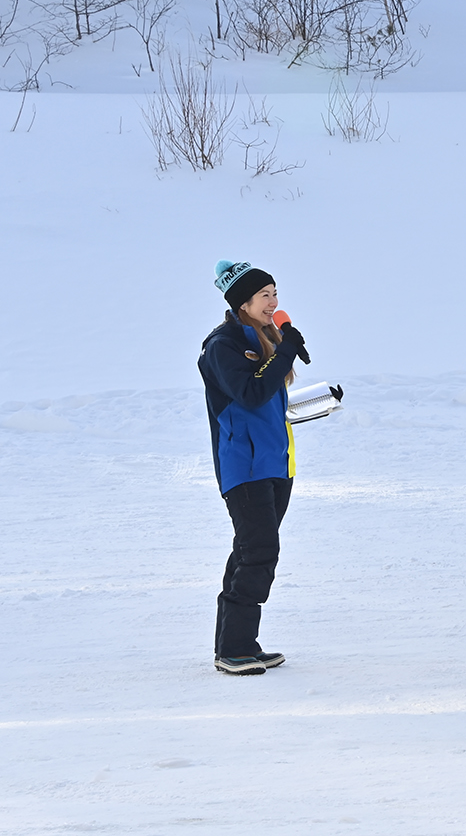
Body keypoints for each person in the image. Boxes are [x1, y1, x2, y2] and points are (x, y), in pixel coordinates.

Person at [199, 260, 308, 676]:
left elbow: (267, 399)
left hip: (275, 464)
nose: (273, 302)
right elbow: (249, 393)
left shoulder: (263, 337)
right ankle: (234, 648)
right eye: (265, 295)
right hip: (244, 467)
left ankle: (237, 644)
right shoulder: (222, 346)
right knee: (259, 550)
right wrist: (283, 352)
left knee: (250, 550)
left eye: (275, 293)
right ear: (242, 302)